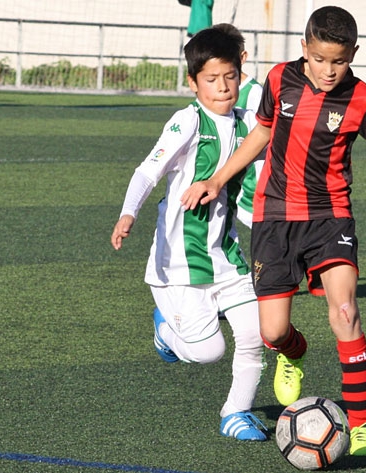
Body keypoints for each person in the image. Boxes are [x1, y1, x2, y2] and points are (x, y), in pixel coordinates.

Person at [181, 6, 366, 456]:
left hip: (331, 216)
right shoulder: (278, 79)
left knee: (345, 311)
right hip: (273, 217)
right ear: (303, 48)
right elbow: (262, 133)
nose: (330, 71)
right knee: (272, 331)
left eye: (340, 61)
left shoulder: (362, 99)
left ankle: (364, 424)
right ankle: (293, 352)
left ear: (354, 54)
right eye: (321, 59)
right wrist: (218, 179)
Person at [110, 26, 268, 442]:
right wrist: (129, 213)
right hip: (180, 260)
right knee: (209, 352)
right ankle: (166, 332)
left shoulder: (248, 125)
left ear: (240, 73)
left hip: (226, 254)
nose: (223, 87)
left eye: (230, 77)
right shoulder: (187, 121)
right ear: (193, 81)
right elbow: (148, 171)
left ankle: (236, 412)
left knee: (257, 334)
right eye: (212, 79)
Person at [212, 22, 264, 228]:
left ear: (243, 58)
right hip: (225, 187)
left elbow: (260, 143)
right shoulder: (212, 90)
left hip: (249, 195)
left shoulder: (255, 94)